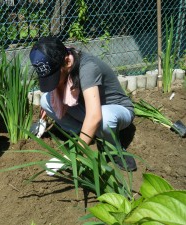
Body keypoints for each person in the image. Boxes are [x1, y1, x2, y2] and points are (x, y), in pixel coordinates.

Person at [29, 36, 137, 172]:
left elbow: (94, 116)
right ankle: (86, 135)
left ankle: (114, 150)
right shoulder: (64, 58)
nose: (54, 83)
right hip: (89, 109)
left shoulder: (88, 68)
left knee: (105, 119)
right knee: (46, 100)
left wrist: (72, 157)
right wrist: (42, 120)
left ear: (67, 62)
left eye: (55, 77)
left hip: (117, 111)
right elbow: (54, 96)